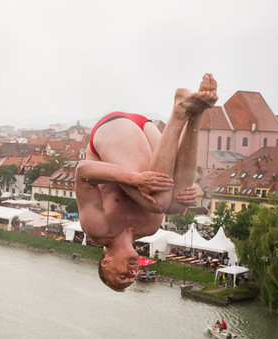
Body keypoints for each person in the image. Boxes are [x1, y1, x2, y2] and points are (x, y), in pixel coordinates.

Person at [76, 74, 218, 291]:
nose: (133, 273)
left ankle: (179, 112)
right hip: (145, 127)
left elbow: (83, 172)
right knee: (174, 204)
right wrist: (187, 194)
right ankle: (196, 114)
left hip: (112, 131)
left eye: (123, 277)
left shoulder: (97, 229)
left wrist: (134, 179)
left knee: (158, 201)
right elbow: (166, 183)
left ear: (106, 262)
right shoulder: (150, 228)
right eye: (132, 278)